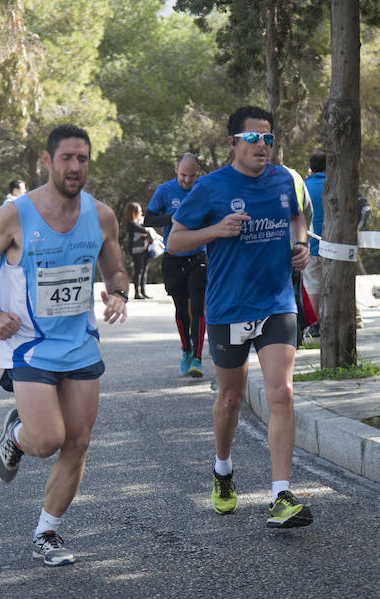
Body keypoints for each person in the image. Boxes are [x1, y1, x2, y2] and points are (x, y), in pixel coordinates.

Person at [0, 124, 130, 566]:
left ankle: (47, 531)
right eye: (67, 158)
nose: (76, 167)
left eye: (83, 159)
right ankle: (17, 436)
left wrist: (119, 292)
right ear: (48, 160)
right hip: (29, 345)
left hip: (81, 344)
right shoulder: (18, 213)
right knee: (47, 439)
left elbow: (115, 268)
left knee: (78, 441)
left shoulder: (103, 215)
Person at [167, 106, 313, 528]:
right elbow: (175, 240)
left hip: (276, 301)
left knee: (281, 393)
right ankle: (223, 469)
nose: (262, 147)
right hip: (229, 307)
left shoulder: (284, 179)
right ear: (233, 142)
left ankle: (280, 495)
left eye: (268, 139)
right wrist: (216, 231)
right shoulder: (211, 188)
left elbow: (297, 217)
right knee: (230, 399)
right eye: (253, 139)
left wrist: (299, 246)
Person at [144, 153, 206, 377]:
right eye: (182, 176)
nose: (187, 181)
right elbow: (148, 220)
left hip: (199, 255)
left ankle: (197, 359)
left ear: (197, 171)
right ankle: (186, 350)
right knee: (181, 308)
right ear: (175, 169)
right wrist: (172, 218)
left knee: (198, 306)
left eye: (191, 176)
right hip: (174, 255)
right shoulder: (164, 191)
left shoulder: (204, 188)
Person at [303, 149, 326, 337]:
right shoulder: (335, 185)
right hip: (334, 246)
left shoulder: (303, 186)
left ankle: (316, 324)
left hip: (311, 245)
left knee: (313, 285)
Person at [124, 202, 150, 299]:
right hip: (136, 250)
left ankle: (143, 291)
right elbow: (144, 230)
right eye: (139, 211)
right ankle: (137, 293)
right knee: (138, 270)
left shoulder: (140, 221)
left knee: (144, 270)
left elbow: (147, 229)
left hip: (144, 249)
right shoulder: (131, 223)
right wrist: (146, 231)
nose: (141, 213)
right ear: (134, 212)